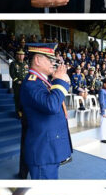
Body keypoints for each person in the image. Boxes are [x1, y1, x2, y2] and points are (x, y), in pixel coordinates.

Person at [20, 43, 73, 179]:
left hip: (49, 149)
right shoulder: (31, 83)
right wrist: (60, 82)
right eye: (50, 60)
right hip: (43, 152)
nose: (53, 63)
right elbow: (52, 105)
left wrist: (58, 81)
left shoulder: (44, 81)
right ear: (37, 60)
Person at [10, 49, 30, 179]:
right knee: (17, 98)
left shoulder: (26, 64)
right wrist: (19, 80)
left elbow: (27, 73)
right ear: (17, 55)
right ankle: (18, 112)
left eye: (22, 54)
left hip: (25, 84)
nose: (21, 56)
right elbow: (13, 74)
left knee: (23, 99)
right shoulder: (13, 63)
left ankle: (22, 111)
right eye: (19, 54)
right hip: (18, 84)